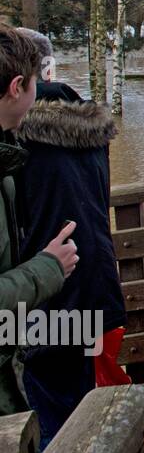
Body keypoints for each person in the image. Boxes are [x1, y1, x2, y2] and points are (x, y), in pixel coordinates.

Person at [15, 84, 126, 447]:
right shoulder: (92, 136)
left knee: (52, 428)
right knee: (92, 411)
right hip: (101, 293)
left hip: (49, 303)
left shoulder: (21, 141)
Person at [0, 26, 77, 418]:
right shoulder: (87, 129)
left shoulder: (14, 151)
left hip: (35, 325)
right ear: (19, 86)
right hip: (58, 311)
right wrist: (47, 267)